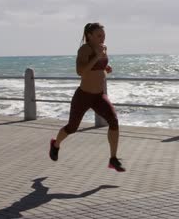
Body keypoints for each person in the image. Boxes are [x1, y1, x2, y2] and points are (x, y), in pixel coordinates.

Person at [49, 22, 125, 172]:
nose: (102, 38)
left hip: (99, 96)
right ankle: (55, 144)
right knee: (72, 128)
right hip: (83, 95)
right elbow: (80, 71)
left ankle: (113, 159)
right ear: (89, 36)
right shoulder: (85, 49)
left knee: (114, 121)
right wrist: (96, 57)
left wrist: (105, 68)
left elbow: (98, 68)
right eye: (99, 35)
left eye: (103, 35)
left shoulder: (103, 48)